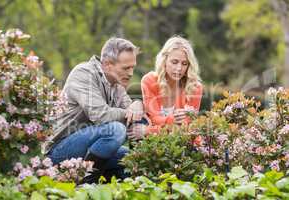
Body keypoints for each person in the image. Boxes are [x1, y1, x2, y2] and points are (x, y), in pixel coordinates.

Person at [43, 37, 146, 181]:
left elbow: (134, 115)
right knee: (116, 131)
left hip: (87, 149)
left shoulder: (116, 85)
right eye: (126, 68)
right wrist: (129, 112)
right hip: (58, 151)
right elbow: (100, 115)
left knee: (131, 160)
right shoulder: (84, 73)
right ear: (107, 65)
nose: (130, 73)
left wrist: (137, 104)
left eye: (132, 67)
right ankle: (85, 183)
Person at [141, 36, 203, 135]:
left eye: (184, 63)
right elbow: (153, 119)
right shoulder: (149, 80)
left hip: (180, 142)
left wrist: (148, 131)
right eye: (174, 62)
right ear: (164, 60)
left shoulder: (195, 87)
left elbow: (187, 127)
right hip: (153, 142)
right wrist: (173, 120)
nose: (179, 68)